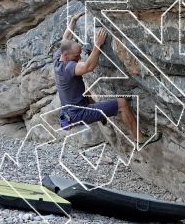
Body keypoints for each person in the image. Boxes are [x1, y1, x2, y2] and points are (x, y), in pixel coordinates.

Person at [53, 11, 161, 146]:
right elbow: (88, 67)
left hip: (69, 112)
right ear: (66, 56)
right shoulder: (67, 68)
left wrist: (74, 20)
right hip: (78, 114)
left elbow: (66, 38)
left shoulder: (58, 58)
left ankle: (101, 115)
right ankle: (141, 139)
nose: (79, 57)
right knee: (122, 103)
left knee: (86, 91)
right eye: (77, 56)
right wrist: (97, 45)